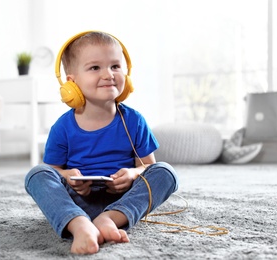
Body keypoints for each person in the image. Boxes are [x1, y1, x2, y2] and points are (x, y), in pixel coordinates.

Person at [24, 31, 178, 255]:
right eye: (95, 68)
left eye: (115, 66)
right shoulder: (62, 128)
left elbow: (147, 166)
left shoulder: (134, 120)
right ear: (71, 82)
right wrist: (70, 177)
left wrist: (132, 174)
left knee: (166, 171)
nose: (108, 74)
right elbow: (54, 172)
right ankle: (80, 224)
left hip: (124, 199)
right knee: (36, 174)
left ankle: (109, 219)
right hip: (79, 201)